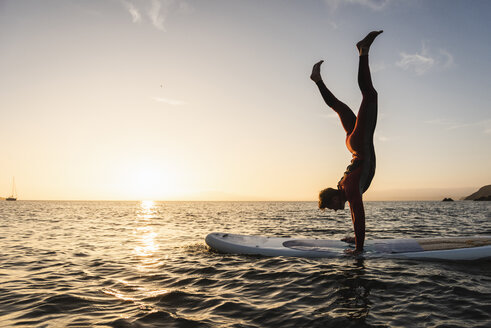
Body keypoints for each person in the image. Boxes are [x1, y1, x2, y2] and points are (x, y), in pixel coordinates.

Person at [310, 30, 383, 255]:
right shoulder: (344, 185)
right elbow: (354, 216)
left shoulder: (349, 189)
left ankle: (363, 51)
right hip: (353, 144)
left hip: (359, 144)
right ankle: (317, 80)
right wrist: (354, 237)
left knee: (370, 96)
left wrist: (358, 249)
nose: (334, 211)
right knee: (339, 107)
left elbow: (357, 215)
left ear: (334, 198)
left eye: (330, 207)